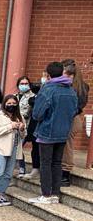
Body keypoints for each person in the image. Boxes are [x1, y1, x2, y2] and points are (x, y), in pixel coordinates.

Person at [29, 61, 79, 205]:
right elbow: (74, 110)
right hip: (63, 132)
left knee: (45, 163)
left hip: (47, 132)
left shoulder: (47, 89)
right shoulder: (71, 90)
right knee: (57, 163)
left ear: (48, 75)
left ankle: (45, 194)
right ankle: (55, 194)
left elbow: (37, 114)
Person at [0, 94, 25, 207]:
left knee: (8, 173)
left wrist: (21, 129)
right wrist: (10, 127)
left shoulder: (19, 116)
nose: (11, 105)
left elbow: (22, 135)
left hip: (14, 148)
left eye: (14, 103)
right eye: (9, 103)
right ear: (4, 104)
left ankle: (0, 193)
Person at [61, 59, 89, 187]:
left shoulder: (80, 86)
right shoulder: (68, 85)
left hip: (73, 118)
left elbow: (79, 105)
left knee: (67, 145)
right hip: (69, 117)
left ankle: (65, 174)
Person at [16, 75, 35, 175]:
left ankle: (22, 168)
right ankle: (21, 166)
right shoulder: (15, 96)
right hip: (14, 126)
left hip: (25, 127)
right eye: (21, 84)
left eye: (26, 84)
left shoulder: (32, 97)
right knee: (15, 148)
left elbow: (29, 113)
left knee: (19, 147)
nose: (23, 85)